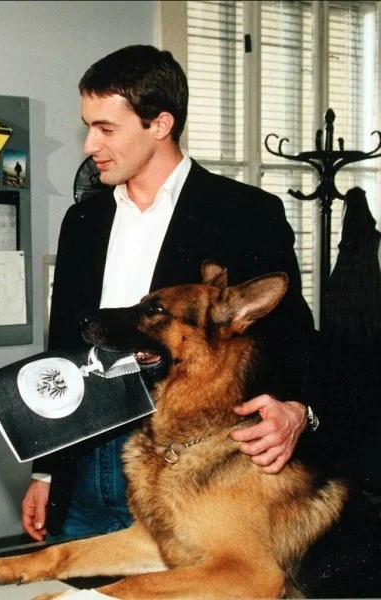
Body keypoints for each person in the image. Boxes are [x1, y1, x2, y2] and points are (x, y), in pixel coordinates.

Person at [21, 45, 321, 544]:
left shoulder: (246, 213)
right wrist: (46, 471)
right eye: (88, 126)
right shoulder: (83, 221)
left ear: (160, 124)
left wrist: (299, 412)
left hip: (192, 464)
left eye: (106, 128)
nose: (89, 144)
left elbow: (295, 340)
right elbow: (65, 348)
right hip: (87, 465)